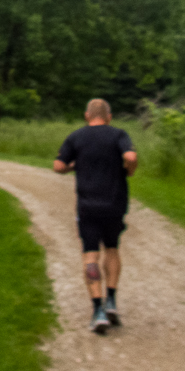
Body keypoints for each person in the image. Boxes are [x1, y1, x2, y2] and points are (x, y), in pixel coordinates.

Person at [53, 98, 138, 335]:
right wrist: (129, 171)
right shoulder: (119, 134)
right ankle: (111, 300)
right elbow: (130, 158)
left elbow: (58, 166)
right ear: (109, 116)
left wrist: (74, 166)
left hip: (88, 206)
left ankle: (98, 310)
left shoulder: (76, 137)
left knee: (90, 253)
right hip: (115, 204)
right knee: (112, 248)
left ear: (86, 115)